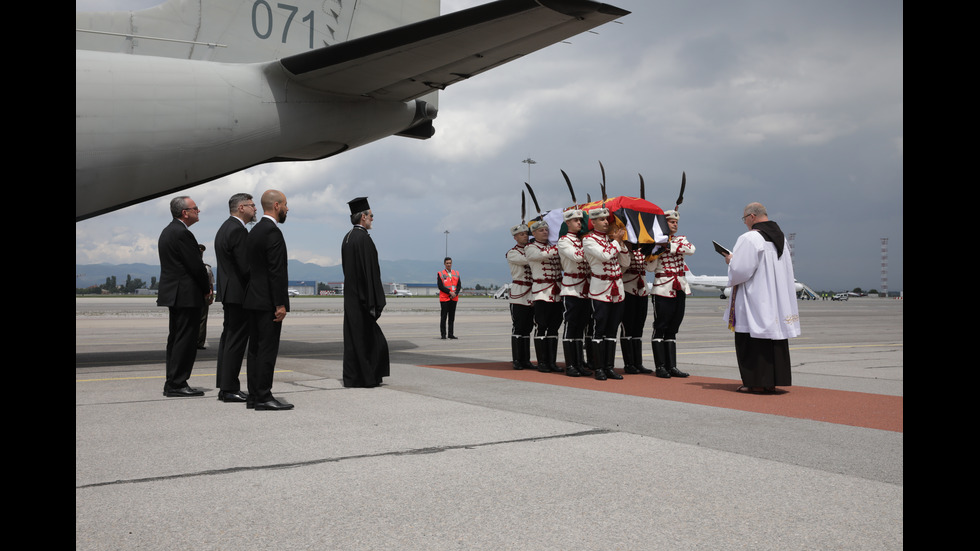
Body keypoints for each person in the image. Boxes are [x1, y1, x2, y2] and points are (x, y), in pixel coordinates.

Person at [724, 202, 801, 393]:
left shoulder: (750, 238)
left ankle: (756, 382)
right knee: (774, 338)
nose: (745, 224)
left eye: (744, 219)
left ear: (751, 217)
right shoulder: (780, 238)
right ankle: (772, 381)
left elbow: (741, 271)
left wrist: (730, 261)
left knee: (752, 339)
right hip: (775, 299)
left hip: (755, 298)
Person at [157, 196, 212, 397]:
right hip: (186, 295)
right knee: (185, 341)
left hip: (176, 294)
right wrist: (206, 287)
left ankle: (173, 381)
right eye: (195, 208)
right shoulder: (182, 234)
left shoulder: (169, 231)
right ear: (184, 213)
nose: (198, 211)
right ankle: (177, 383)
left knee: (177, 339)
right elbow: (196, 266)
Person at [243, 189, 293, 410]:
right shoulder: (272, 232)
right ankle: (264, 396)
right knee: (266, 350)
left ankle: (254, 394)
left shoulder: (254, 231)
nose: (287, 208)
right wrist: (280, 303)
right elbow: (276, 271)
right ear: (276, 206)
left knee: (254, 350)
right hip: (267, 302)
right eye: (285, 204)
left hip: (253, 299)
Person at [341, 197, 390, 388]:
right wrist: (374, 302)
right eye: (371, 215)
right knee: (370, 341)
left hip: (351, 298)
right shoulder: (363, 240)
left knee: (354, 341)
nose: (372, 219)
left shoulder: (347, 238)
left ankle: (353, 377)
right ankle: (368, 377)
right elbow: (370, 274)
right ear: (363, 217)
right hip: (363, 300)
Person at [213, 193, 256, 403]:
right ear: (241, 208)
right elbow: (245, 266)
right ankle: (230, 388)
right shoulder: (238, 230)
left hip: (230, 292)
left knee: (228, 340)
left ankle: (225, 386)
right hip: (239, 293)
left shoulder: (225, 227)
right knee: (236, 342)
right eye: (251, 205)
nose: (255, 209)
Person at [582, 207, 630, 380]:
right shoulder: (588, 240)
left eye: (606, 220)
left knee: (612, 330)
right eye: (601, 220)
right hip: (600, 289)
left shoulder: (612, 240)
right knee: (599, 329)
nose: (605, 222)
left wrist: (622, 244)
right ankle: (599, 368)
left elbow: (625, 262)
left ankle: (609, 367)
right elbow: (604, 255)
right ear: (593, 222)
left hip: (617, 289)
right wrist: (616, 242)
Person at [646, 210, 695, 378]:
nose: (675, 225)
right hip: (663, 288)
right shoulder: (656, 242)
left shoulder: (681, 240)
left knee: (673, 327)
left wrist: (669, 245)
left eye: (676, 222)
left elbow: (691, 249)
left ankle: (672, 366)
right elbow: (650, 268)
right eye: (671, 222)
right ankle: (660, 366)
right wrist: (654, 251)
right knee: (661, 326)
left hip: (679, 287)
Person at [556, 208, 592, 377]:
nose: (580, 223)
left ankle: (579, 363)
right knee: (571, 327)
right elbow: (577, 256)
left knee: (580, 328)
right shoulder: (564, 241)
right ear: (568, 223)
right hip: (571, 288)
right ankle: (570, 365)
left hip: (585, 288)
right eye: (576, 221)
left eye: (581, 221)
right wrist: (592, 247)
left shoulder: (583, 240)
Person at [525, 217, 563, 372]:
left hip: (557, 292)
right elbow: (539, 256)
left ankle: (552, 362)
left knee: (554, 327)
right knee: (542, 326)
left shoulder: (552, 247)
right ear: (534, 233)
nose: (545, 232)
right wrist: (558, 247)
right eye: (541, 230)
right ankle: (542, 362)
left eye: (547, 229)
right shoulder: (531, 247)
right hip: (542, 292)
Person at [506, 223, 534, 370]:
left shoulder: (531, 250)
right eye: (522, 234)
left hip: (532, 291)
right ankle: (517, 359)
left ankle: (526, 359)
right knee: (518, 327)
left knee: (528, 328)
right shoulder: (512, 253)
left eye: (526, 234)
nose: (525, 236)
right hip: (519, 292)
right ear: (515, 237)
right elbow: (529, 260)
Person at [620, 242, 651, 374]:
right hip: (628, 289)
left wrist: (651, 251)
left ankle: (638, 363)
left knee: (639, 327)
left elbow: (650, 267)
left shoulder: (642, 251)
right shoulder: (622, 251)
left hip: (642, 290)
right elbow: (623, 267)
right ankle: (629, 363)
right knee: (628, 327)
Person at [197, 244, 215, 349]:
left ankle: (199, 342)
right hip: (196, 295)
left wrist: (211, 296)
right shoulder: (204, 267)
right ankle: (197, 342)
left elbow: (211, 283)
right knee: (200, 320)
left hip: (204, 296)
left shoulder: (207, 268)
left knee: (202, 320)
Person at [438, 257, 461, 339]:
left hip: (454, 298)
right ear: (444, 264)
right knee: (444, 317)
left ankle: (451, 334)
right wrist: (449, 292)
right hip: (445, 298)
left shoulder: (456, 273)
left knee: (452, 317)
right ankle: (443, 334)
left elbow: (459, 285)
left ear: (452, 264)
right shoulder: (440, 273)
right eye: (447, 263)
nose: (448, 264)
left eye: (450, 263)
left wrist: (455, 293)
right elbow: (440, 286)